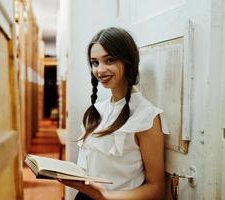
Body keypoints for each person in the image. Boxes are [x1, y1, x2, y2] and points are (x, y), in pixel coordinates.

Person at [59, 27, 165, 200]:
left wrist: (107, 197)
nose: (100, 70)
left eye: (109, 60)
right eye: (95, 63)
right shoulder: (97, 111)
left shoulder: (146, 116)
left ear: (128, 61)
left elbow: (156, 188)